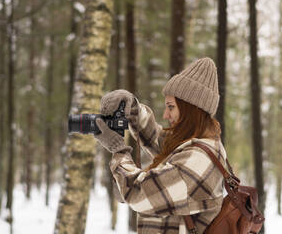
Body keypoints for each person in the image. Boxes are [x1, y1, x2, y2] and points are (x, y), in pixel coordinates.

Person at [94, 57, 228, 234]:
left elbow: (138, 193)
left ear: (190, 109)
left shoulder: (198, 159)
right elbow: (157, 139)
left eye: (171, 107)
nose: (165, 115)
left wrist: (119, 150)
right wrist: (133, 109)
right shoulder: (197, 144)